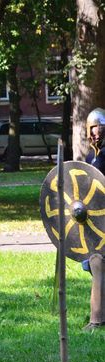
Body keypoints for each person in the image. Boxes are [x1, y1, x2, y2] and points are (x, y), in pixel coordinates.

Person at [81, 107, 105, 330]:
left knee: (97, 262)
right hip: (94, 218)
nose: (96, 132)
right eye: (93, 128)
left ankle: (96, 319)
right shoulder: (91, 155)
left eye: (100, 127)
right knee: (93, 264)